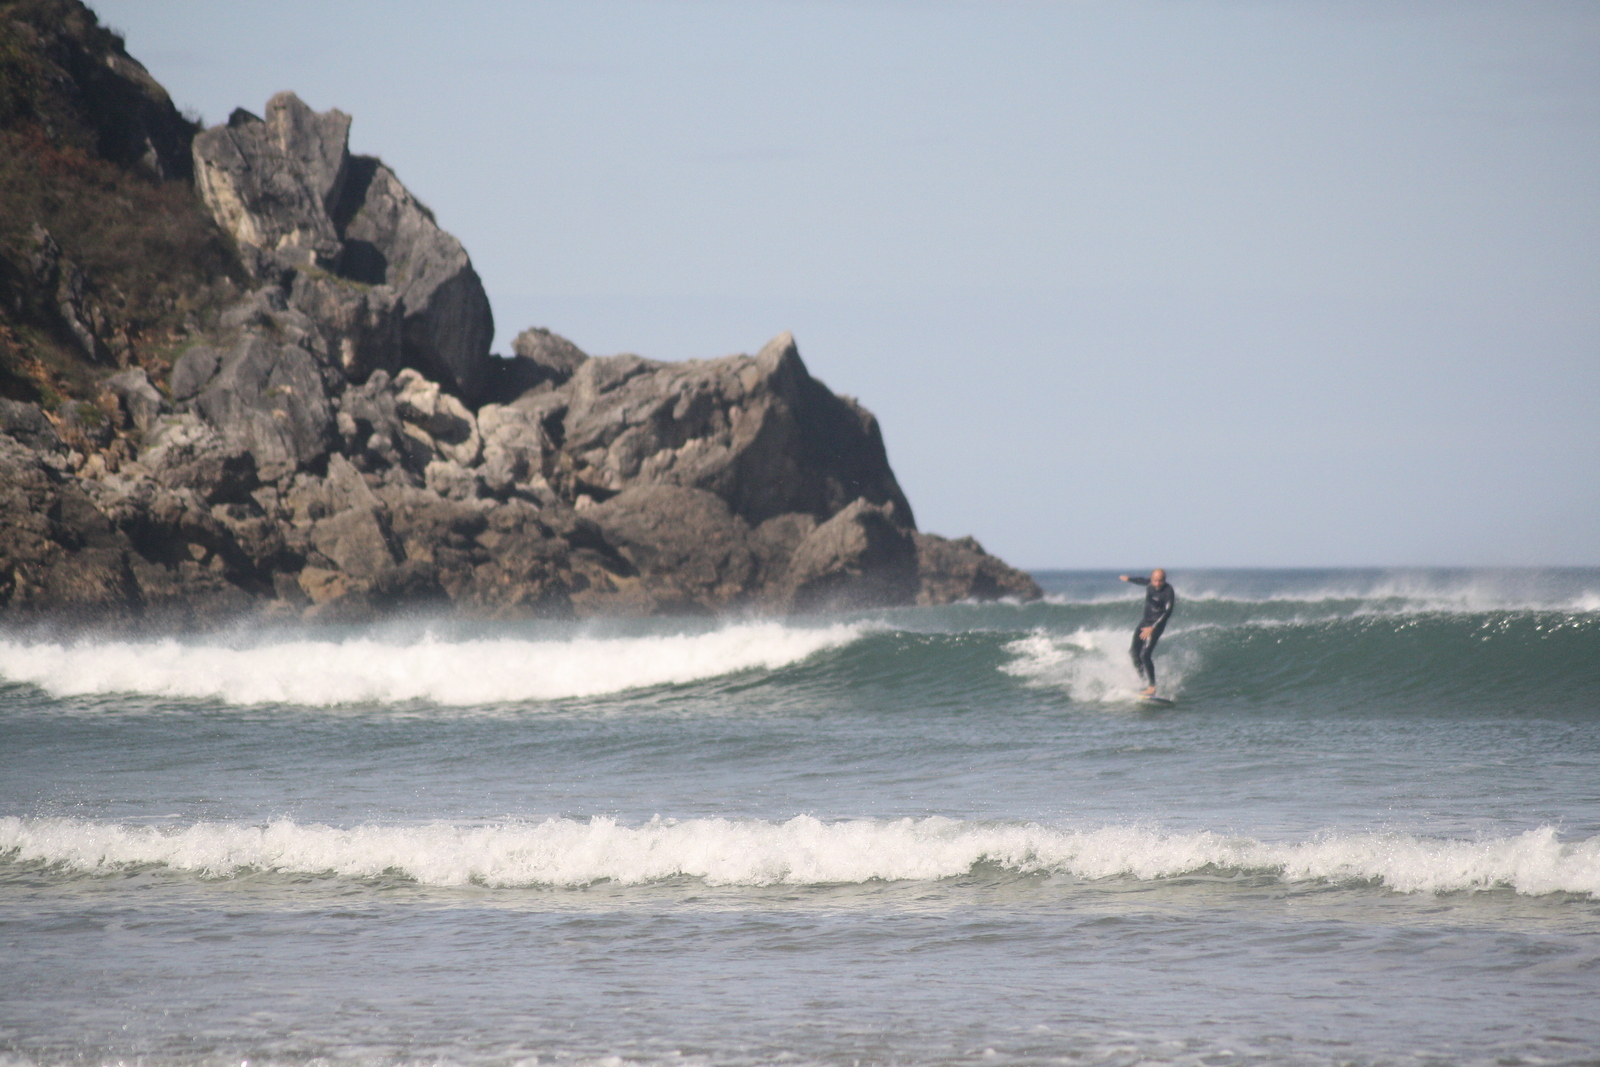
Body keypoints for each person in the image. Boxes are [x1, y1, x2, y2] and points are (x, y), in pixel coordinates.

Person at [1119, 569, 1175, 697]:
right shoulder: (1150, 584)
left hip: (1156, 625)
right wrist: (1129, 579)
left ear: (1164, 580)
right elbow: (1141, 580)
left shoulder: (1168, 591)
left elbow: (1168, 612)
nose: (1157, 583)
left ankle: (1152, 686)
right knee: (1133, 652)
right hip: (1145, 622)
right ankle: (1144, 680)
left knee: (1145, 654)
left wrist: (1153, 627)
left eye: (1161, 581)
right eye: (1155, 580)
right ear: (1152, 579)